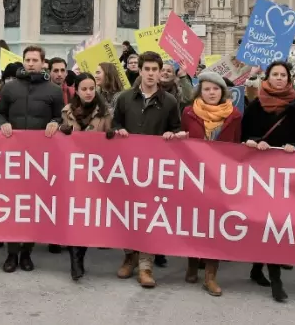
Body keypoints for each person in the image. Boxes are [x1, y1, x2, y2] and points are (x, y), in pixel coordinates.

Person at [110, 50, 185, 288]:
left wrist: (172, 134)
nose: (151, 74)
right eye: (147, 69)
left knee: (149, 216)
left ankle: (146, 265)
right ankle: (129, 257)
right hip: (128, 167)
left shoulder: (170, 102)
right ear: (139, 71)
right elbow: (114, 125)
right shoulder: (124, 98)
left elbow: (176, 129)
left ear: (160, 72)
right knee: (128, 214)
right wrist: (118, 130)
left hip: (154, 169)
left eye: (155, 70)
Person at [0, 45, 63, 273]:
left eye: (35, 60)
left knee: (32, 207)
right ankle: (12, 253)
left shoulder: (53, 90)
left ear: (44, 63)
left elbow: (60, 117)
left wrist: (56, 123)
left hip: (39, 159)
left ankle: (26, 253)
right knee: (13, 206)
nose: (30, 63)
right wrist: (2, 122)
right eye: (27, 59)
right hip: (13, 157)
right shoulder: (10, 88)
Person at [241, 60, 295, 302]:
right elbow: (244, 135)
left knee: (276, 224)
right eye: (275, 74)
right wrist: (255, 141)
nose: (279, 78)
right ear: (267, 78)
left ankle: (259, 269)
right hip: (260, 174)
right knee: (265, 224)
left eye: (283, 75)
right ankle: (274, 280)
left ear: (289, 79)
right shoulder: (256, 105)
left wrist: (294, 146)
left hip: (286, 176)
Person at [180, 70, 241, 297]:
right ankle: (192, 265)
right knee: (194, 222)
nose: (211, 92)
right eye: (207, 89)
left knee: (216, 226)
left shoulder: (234, 115)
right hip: (194, 177)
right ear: (200, 91)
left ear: (222, 92)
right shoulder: (188, 113)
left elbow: (236, 145)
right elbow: (182, 140)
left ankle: (211, 276)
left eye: (215, 89)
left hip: (220, 179)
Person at [58, 73, 112, 281]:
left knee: (87, 216)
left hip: (95, 171)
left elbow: (113, 136)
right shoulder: (66, 112)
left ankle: (81, 254)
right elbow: (56, 139)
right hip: (72, 171)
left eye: (92, 88)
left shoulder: (106, 112)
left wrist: (112, 134)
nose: (89, 93)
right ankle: (75, 259)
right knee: (74, 214)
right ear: (77, 91)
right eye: (84, 89)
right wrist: (61, 130)